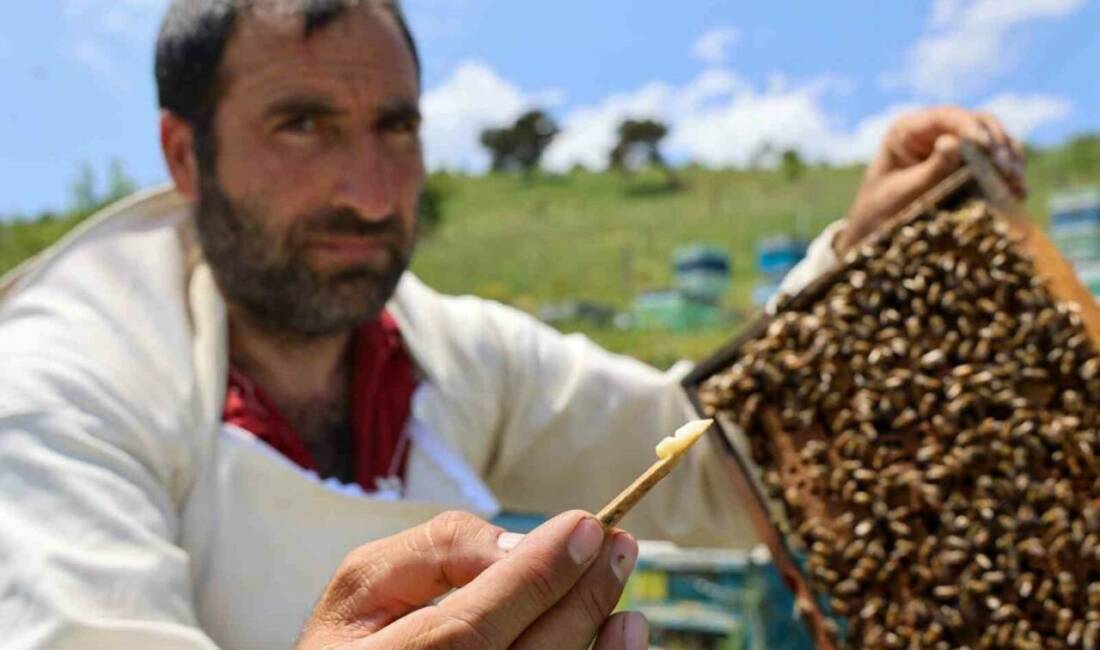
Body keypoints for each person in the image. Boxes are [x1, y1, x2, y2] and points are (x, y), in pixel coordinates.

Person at [0, 1, 1025, 648]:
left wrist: (857, 257)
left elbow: (719, 456)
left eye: (394, 127)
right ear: (185, 156)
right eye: (302, 124)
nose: (368, 191)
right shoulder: (56, 383)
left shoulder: (447, 346)